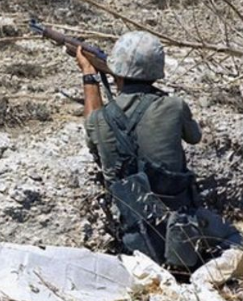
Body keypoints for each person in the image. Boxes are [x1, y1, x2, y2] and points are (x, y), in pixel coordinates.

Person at [76, 31, 240, 268]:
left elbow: (92, 126)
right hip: (186, 227)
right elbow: (194, 137)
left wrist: (89, 77)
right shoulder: (174, 106)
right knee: (236, 242)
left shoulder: (99, 121)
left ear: (116, 71)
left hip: (136, 234)